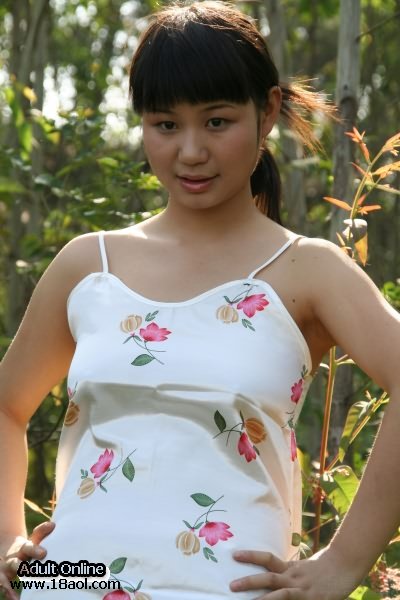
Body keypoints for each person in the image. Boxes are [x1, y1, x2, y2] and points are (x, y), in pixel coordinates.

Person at [0, 1, 399, 598]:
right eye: (166, 125)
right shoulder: (89, 265)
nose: (190, 151)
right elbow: (7, 406)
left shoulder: (307, 270)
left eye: (216, 121)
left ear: (266, 111)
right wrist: (8, 541)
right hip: (66, 583)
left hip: (226, 589)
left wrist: (343, 563)